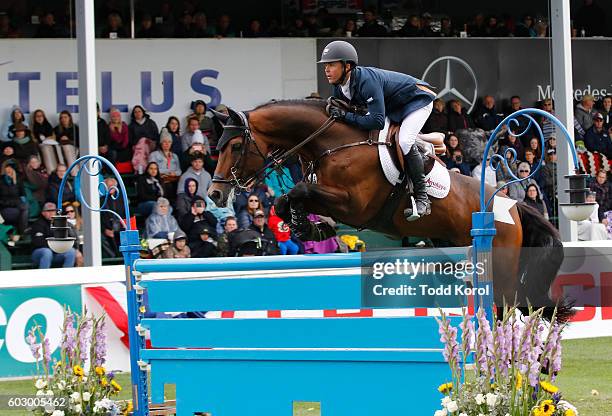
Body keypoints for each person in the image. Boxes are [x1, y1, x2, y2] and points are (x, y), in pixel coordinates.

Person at [318, 40, 435, 220]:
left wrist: (344, 116)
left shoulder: (366, 81)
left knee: (404, 141)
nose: (326, 69)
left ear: (347, 66)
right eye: (326, 65)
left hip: (416, 101)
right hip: (394, 106)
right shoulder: (340, 87)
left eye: (331, 65)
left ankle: (422, 198)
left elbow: (377, 121)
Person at [30, 202, 76, 268]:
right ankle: (44, 277)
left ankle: (66, 276)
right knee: (47, 252)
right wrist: (55, 246)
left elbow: (67, 237)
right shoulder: (38, 224)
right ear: (43, 213)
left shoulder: (60, 222)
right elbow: (38, 243)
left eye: (54, 210)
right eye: (48, 211)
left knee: (71, 251)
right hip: (39, 253)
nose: (51, 213)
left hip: (56, 252)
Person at [148, 128, 182, 197]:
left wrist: (174, 173)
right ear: (161, 143)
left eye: (169, 142)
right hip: (160, 180)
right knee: (167, 185)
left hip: (173, 180)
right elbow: (152, 170)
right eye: (164, 142)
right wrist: (168, 172)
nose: (167, 144)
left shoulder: (174, 156)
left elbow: (179, 171)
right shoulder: (154, 155)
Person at [0, 160, 29, 236]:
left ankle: (21, 232)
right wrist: (14, 203)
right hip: (5, 206)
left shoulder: (18, 180)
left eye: (10, 168)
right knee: (24, 210)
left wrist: (23, 200)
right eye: (7, 168)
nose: (8, 170)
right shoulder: (1, 181)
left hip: (17, 205)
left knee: (24, 210)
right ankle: (23, 231)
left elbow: (22, 193)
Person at [31, 109, 63, 173]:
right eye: (37, 116)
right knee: (47, 149)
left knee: (57, 147)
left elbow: (53, 136)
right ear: (35, 118)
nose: (39, 117)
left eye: (41, 116)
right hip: (41, 144)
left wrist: (48, 139)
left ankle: (61, 167)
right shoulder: (33, 127)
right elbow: (34, 139)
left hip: (51, 143)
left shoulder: (48, 125)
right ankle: (51, 171)